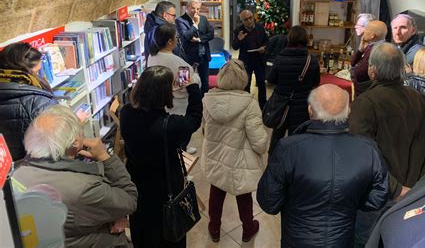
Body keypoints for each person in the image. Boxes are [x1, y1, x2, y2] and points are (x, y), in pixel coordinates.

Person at [257, 84, 389, 247]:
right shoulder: (368, 149)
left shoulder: (288, 148)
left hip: (296, 241)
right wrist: (350, 200)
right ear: (348, 112)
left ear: (310, 111)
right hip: (342, 240)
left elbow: (269, 202)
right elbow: (379, 196)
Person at [349, 42, 425, 245]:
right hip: (412, 193)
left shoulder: (365, 103)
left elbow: (361, 154)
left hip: (376, 195)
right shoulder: (421, 100)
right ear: (402, 69)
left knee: (365, 241)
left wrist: (396, 189)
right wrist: (413, 186)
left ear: (372, 71)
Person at [13, 105, 137, 247]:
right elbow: (129, 199)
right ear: (76, 142)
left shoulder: (17, 172)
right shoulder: (84, 188)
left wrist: (112, 212)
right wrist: (105, 156)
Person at [120, 66, 202, 248]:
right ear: (165, 94)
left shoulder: (125, 113)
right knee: (169, 233)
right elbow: (194, 119)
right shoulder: (170, 125)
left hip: (137, 183)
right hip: (166, 185)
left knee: (142, 230)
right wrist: (192, 88)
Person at [201, 59, 267, 243]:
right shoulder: (249, 104)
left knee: (216, 190)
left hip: (216, 155)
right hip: (239, 158)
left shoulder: (208, 100)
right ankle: (248, 228)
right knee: (243, 193)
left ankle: (214, 228)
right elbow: (259, 142)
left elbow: (205, 129)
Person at [266, 26, 320, 154]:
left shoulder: (280, 59)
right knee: (297, 138)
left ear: (289, 38)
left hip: (281, 105)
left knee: (277, 135)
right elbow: (316, 82)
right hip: (302, 105)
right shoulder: (311, 61)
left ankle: (273, 163)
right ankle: (295, 168)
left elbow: (271, 80)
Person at [148, 23, 200, 154]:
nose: (178, 40)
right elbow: (185, 86)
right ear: (170, 41)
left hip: (160, 104)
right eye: (176, 38)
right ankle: (182, 170)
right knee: (178, 143)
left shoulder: (152, 56)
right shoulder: (177, 63)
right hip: (178, 106)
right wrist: (196, 76)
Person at [0, 42, 57, 161]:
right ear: (27, 71)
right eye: (37, 72)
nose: (41, 76)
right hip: (33, 167)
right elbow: (56, 143)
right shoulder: (39, 103)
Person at [176, 0, 214, 96]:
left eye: (198, 9)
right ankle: (185, 105)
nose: (196, 11)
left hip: (203, 55)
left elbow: (211, 34)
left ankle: (203, 105)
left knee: (205, 83)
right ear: (187, 7)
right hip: (187, 57)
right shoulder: (180, 20)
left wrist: (199, 39)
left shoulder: (203, 18)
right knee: (183, 83)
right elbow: (186, 36)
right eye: (193, 8)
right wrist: (196, 24)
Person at [232, 10, 269, 109]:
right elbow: (234, 47)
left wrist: (264, 47)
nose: (249, 21)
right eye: (246, 19)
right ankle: (246, 104)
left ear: (253, 17)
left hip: (259, 58)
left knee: (261, 82)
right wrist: (239, 39)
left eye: (250, 18)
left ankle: (263, 105)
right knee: (246, 83)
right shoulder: (238, 30)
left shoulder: (259, 27)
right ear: (242, 21)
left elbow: (266, 40)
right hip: (246, 61)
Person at [351, 20, 387, 97]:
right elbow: (353, 63)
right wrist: (360, 50)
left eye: (366, 29)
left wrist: (353, 71)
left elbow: (359, 73)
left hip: (365, 93)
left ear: (372, 36)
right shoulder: (371, 46)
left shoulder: (376, 51)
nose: (364, 32)